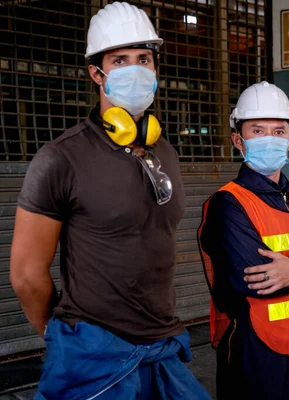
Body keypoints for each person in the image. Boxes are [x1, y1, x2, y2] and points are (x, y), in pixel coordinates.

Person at [9, 2, 209, 399]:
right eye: (120, 60)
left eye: (144, 59)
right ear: (96, 73)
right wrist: (62, 335)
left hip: (162, 346)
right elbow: (26, 274)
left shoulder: (164, 151)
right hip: (95, 355)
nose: (136, 69)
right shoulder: (61, 158)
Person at [198, 81, 289, 400]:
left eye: (278, 131)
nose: (270, 139)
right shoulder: (228, 205)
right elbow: (258, 278)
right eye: (258, 130)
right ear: (238, 140)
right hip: (253, 348)